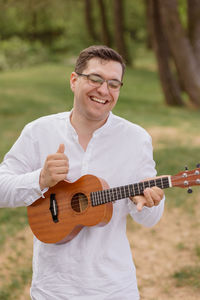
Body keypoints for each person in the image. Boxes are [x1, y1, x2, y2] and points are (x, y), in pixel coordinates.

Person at [0, 45, 165, 300]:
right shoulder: (38, 132)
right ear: (74, 80)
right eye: (95, 79)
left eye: (114, 84)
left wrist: (148, 202)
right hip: (52, 290)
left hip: (114, 289)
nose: (103, 90)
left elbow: (150, 219)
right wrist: (40, 180)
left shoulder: (136, 139)